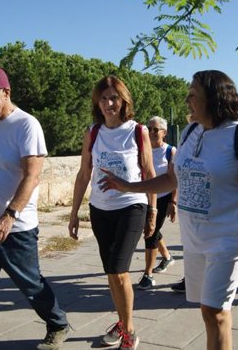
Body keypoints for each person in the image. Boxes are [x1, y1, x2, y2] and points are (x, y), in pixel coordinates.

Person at [99, 70, 238, 350]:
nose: (187, 98)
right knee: (207, 310)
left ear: (213, 98)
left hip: (228, 238)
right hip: (193, 239)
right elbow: (171, 179)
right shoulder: (191, 131)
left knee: (216, 311)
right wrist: (128, 186)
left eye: (193, 93)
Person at [0, 66, 69, 350]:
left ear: (6, 92)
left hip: (14, 229)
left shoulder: (26, 125)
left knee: (32, 287)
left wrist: (8, 216)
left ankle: (57, 322)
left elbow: (33, 175)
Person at [67, 75, 156, 350]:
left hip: (132, 206)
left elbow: (150, 173)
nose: (108, 103)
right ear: (98, 102)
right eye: (103, 98)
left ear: (123, 100)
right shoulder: (93, 133)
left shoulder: (137, 131)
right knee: (111, 272)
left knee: (119, 270)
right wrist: (73, 213)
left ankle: (128, 331)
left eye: (114, 98)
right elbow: (84, 174)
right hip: (100, 209)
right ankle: (121, 322)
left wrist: (153, 210)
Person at [137, 116, 178, 290]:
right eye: (149, 128)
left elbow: (175, 178)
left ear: (164, 132)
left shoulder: (170, 151)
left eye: (155, 129)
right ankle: (167, 257)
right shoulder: (142, 149)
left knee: (151, 234)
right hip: (144, 197)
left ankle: (148, 275)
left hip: (162, 198)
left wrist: (173, 202)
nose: (152, 132)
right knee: (151, 230)